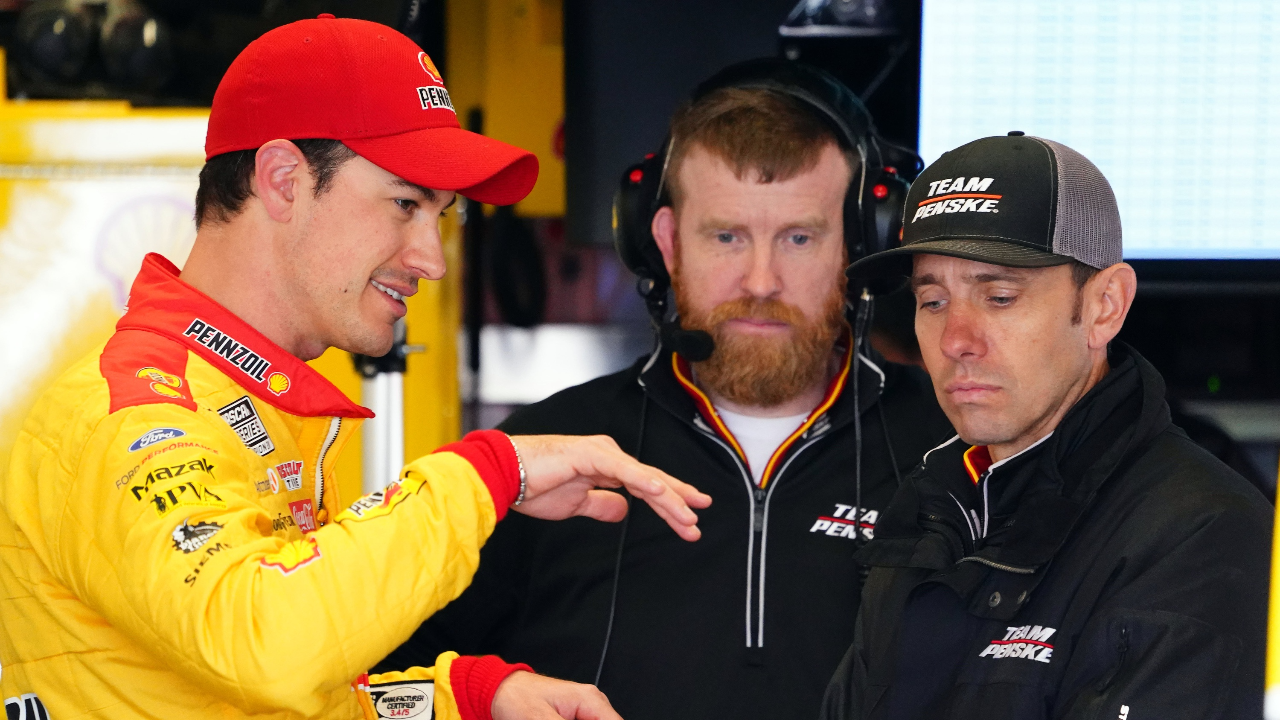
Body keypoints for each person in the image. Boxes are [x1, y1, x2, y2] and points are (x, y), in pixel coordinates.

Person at [0, 16, 713, 720]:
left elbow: (254, 693)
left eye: (439, 216)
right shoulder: (135, 411)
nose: (431, 259)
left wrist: (460, 699)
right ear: (282, 179)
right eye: (404, 204)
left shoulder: (258, 404)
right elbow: (264, 643)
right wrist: (486, 474)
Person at [378, 60, 954, 720]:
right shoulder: (539, 461)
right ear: (668, 243)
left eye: (799, 237)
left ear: (857, 245)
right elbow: (383, 692)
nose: (760, 280)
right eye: (727, 237)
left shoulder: (956, 450)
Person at [821, 133, 1272, 720]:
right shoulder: (928, 505)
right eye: (932, 301)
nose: (957, 339)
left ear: (1105, 305)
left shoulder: (1201, 533)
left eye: (1000, 296)